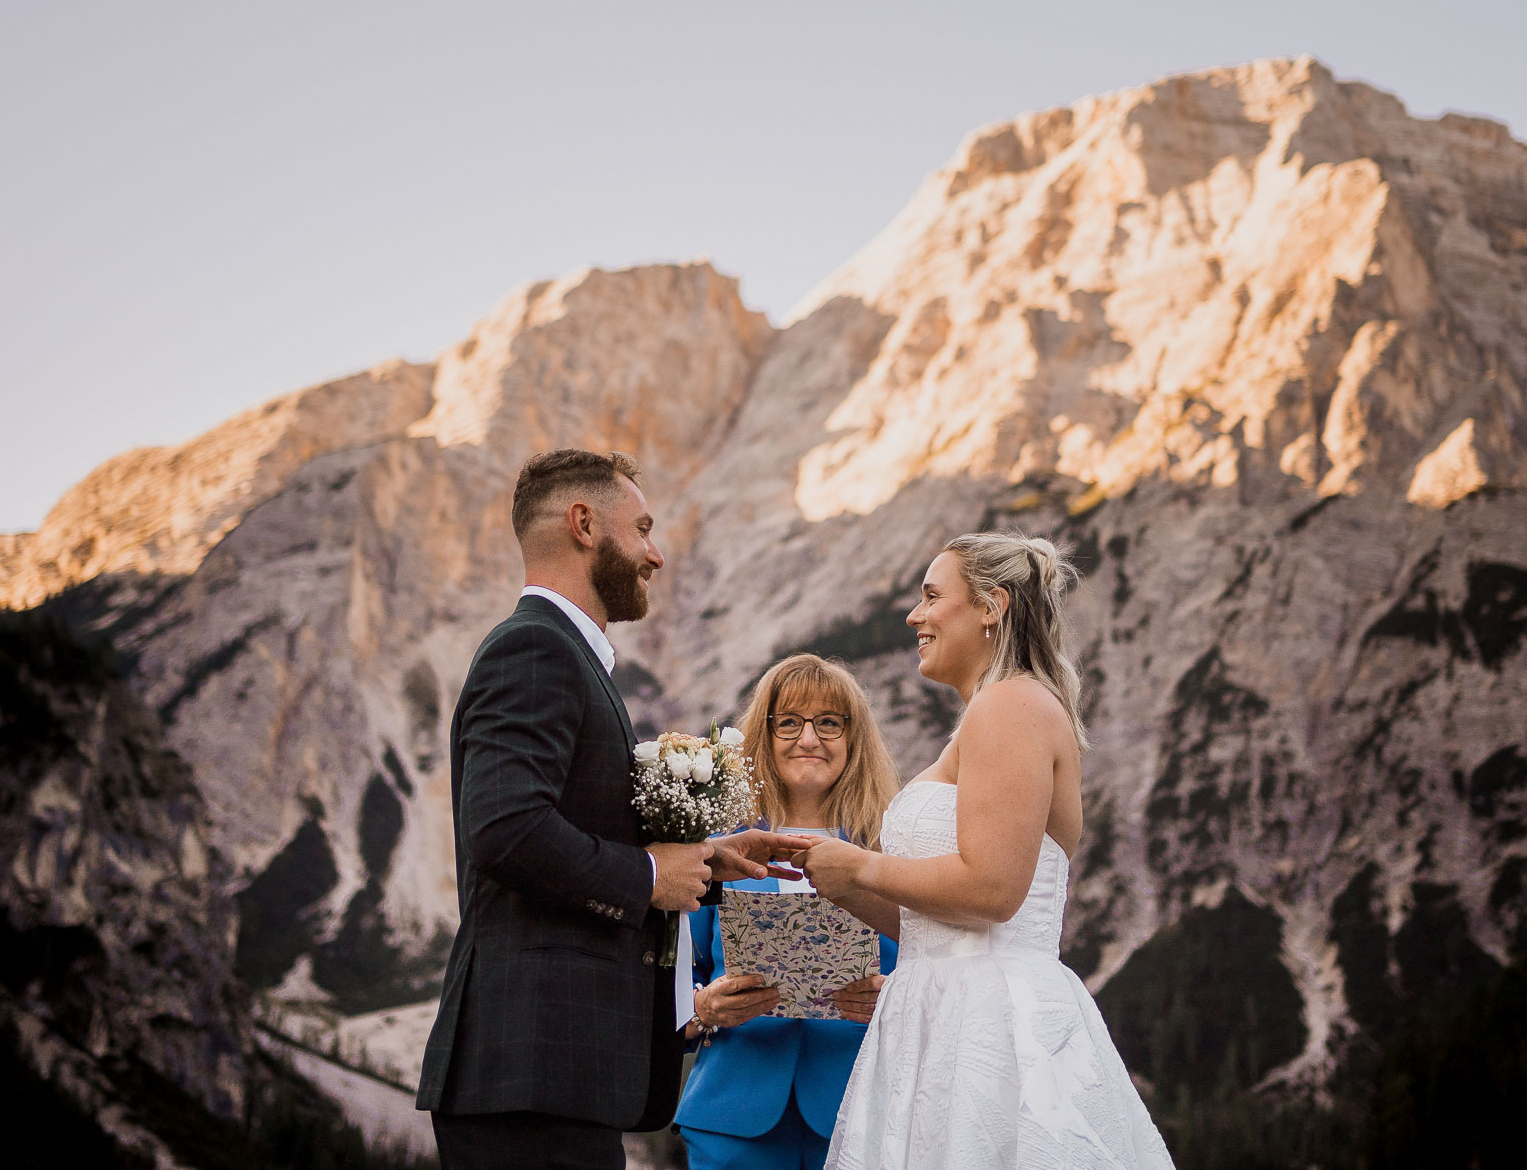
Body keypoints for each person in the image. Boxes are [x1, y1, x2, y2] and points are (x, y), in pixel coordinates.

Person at [417, 449, 813, 1170]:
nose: (655, 554)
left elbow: (563, 822)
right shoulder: (535, 649)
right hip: (529, 1067)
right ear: (583, 524)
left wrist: (705, 863)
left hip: (553, 1075)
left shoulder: (565, 654)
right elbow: (503, 829)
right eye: (643, 529)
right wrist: (645, 877)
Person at [797, 533, 1177, 1169]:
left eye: (932, 597)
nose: (915, 616)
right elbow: (939, 921)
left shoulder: (1012, 705)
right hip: (941, 1010)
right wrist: (846, 885)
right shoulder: (986, 714)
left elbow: (995, 892)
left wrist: (862, 863)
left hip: (991, 1026)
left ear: (992, 606)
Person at [675, 655, 902, 1170]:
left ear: (853, 738)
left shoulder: (893, 849)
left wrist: (897, 998)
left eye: (828, 722)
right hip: (733, 1116)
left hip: (863, 1112)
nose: (809, 739)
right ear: (764, 735)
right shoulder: (716, 850)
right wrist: (703, 1009)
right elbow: (665, 985)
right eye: (790, 722)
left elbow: (936, 969)